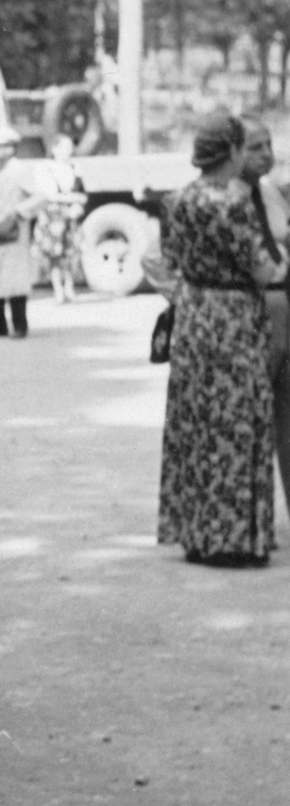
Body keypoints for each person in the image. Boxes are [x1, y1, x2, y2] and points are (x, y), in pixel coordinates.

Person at [158, 114, 282, 566]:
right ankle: (233, 538)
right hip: (234, 318)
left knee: (196, 421)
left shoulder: (176, 201)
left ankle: (197, 533)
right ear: (231, 151)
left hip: (194, 315)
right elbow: (262, 269)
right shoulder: (233, 203)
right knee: (238, 422)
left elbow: (169, 259)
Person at [241, 120, 290, 503]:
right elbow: (158, 258)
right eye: (254, 147)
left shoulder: (271, 193)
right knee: (249, 420)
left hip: (281, 309)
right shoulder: (224, 200)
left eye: (268, 145)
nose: (265, 154)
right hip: (247, 314)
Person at [0, 124, 46, 336]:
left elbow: (41, 196)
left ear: (10, 148)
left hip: (13, 232)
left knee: (15, 280)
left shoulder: (20, 170)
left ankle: (20, 326)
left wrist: (19, 212)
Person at [34, 134, 87, 304]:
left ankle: (69, 287)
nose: (68, 151)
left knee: (71, 254)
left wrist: (76, 203)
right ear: (55, 149)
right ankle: (57, 289)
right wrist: (72, 198)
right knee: (54, 255)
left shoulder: (75, 169)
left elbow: (83, 195)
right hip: (53, 217)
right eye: (65, 147)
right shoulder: (46, 168)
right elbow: (50, 195)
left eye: (70, 147)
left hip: (71, 216)